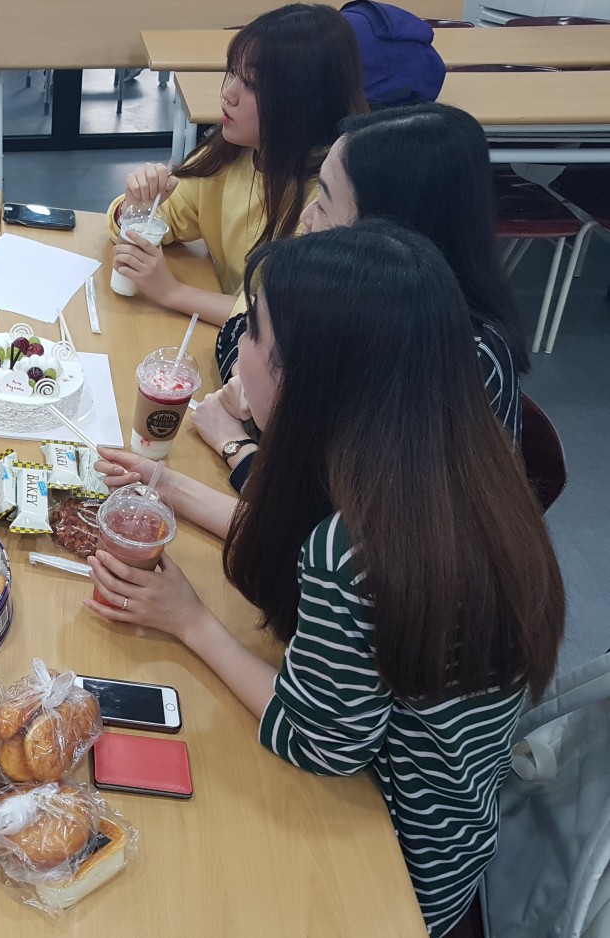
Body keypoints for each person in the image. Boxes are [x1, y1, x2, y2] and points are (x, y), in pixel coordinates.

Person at [88, 222, 565, 938]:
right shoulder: (449, 463)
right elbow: (295, 552)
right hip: (463, 829)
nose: (236, 351)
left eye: (253, 334)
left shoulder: (354, 548)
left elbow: (318, 743)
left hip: (396, 867)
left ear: (302, 380)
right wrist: (173, 488)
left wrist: (190, 621)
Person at [201, 104, 527, 497]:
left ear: (387, 237)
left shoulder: (455, 365)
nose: (306, 218)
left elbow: (325, 514)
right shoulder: (358, 305)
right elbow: (237, 327)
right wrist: (250, 381)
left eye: (324, 203)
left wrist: (236, 447)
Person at [107, 2, 366, 324]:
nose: (228, 93)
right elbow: (170, 216)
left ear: (303, 101)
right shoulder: (232, 153)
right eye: (232, 73)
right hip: (229, 335)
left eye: (252, 85)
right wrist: (137, 208)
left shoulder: (328, 202)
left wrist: (172, 292)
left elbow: (286, 317)